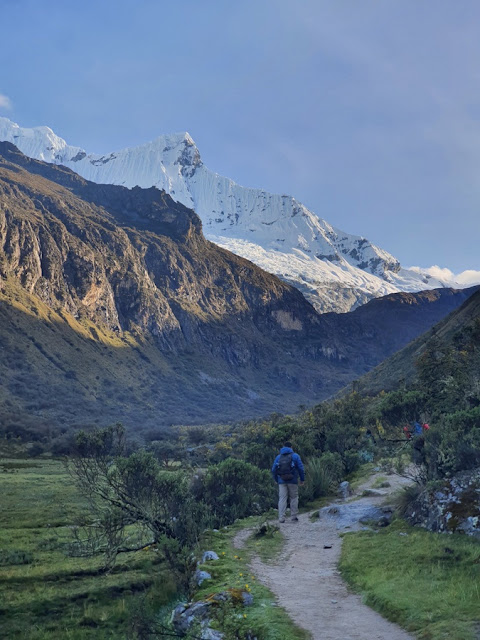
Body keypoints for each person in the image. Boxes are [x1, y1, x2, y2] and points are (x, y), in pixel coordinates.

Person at [271, 441, 305, 523]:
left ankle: (281, 518)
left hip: (281, 481)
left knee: (282, 498)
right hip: (292, 480)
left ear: (283, 447)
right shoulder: (295, 456)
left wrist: (276, 479)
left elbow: (273, 470)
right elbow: (301, 468)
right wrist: (302, 479)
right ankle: (293, 517)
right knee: (294, 498)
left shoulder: (278, 457)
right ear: (291, 447)